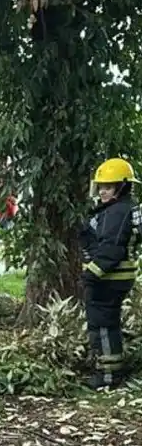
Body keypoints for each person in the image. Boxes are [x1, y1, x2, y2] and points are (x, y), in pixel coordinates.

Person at [77, 157, 140, 390]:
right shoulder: (120, 209)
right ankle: (111, 370)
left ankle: (108, 377)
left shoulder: (117, 212)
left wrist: (91, 274)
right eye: (101, 186)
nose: (102, 192)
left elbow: (110, 249)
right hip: (116, 278)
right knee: (108, 324)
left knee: (102, 324)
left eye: (108, 187)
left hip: (108, 279)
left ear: (122, 187)